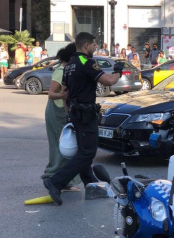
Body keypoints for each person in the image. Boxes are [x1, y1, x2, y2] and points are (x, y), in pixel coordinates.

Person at [42, 32, 124, 205]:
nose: (96, 47)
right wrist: (118, 72)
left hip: (75, 114)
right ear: (86, 46)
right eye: (94, 45)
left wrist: (69, 116)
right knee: (88, 153)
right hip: (85, 115)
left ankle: (91, 183)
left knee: (83, 151)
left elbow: (65, 94)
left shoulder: (70, 64)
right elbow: (108, 81)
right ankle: (55, 181)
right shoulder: (86, 61)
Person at [41, 43, 82, 191]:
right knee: (62, 148)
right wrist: (62, 95)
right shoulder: (61, 71)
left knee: (67, 148)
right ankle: (53, 177)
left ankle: (63, 180)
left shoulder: (69, 69)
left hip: (62, 111)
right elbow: (51, 94)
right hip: (56, 111)